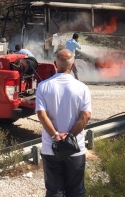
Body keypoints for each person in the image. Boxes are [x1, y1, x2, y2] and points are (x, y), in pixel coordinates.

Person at [36, 49, 92, 197]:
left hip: (51, 148)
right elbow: (85, 115)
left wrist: (55, 135)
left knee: (54, 191)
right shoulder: (82, 88)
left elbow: (41, 114)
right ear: (72, 66)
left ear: (55, 64)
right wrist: (70, 137)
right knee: (76, 191)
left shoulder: (43, 86)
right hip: (75, 148)